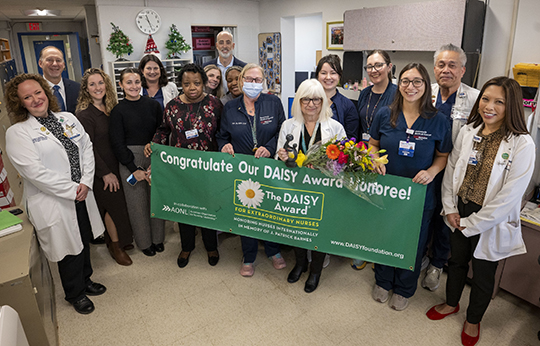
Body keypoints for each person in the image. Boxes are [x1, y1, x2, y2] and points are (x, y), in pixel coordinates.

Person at [426, 77, 535, 346]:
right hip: (459, 209)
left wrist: (473, 223)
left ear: (512, 107)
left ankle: (473, 319)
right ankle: (451, 303)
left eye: (500, 102)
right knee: (457, 262)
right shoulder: (469, 130)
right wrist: (450, 208)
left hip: (490, 218)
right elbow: (452, 169)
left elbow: (510, 196)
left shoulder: (522, 144)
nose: (489, 106)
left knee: (484, 274)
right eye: (486, 99)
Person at [5, 74, 106, 314]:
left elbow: (87, 148)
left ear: (46, 92)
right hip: (55, 199)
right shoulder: (17, 133)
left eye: (38, 92)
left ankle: (86, 280)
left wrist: (85, 182)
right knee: (68, 248)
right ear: (20, 103)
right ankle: (75, 293)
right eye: (27, 97)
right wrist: (72, 189)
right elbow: (34, 173)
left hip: (82, 192)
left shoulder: (67, 118)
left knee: (83, 238)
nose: (35, 99)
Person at [369, 63, 452, 311]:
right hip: (388, 190)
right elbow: (372, 144)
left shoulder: (438, 120)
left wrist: (431, 171)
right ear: (398, 84)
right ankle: (383, 281)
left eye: (417, 81)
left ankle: (405, 288)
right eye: (405, 81)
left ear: (426, 86)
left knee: (413, 243)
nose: (410, 86)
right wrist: (374, 159)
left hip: (419, 194)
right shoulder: (385, 114)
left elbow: (443, 156)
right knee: (384, 236)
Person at [144, 63, 223, 268]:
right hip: (181, 169)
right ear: (181, 84)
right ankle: (186, 246)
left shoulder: (215, 104)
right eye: (186, 83)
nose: (192, 87)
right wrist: (154, 144)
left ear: (204, 83)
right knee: (184, 209)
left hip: (209, 168)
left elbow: (222, 132)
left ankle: (211, 246)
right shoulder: (172, 106)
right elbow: (163, 130)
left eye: (197, 83)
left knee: (209, 208)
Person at [276, 79, 345, 293]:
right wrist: (281, 156)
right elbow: (281, 155)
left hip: (324, 189)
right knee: (297, 227)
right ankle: (300, 263)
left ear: (323, 101)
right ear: (299, 101)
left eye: (316, 99)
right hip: (297, 188)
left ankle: (315, 271)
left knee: (318, 230)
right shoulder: (289, 125)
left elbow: (343, 160)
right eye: (306, 99)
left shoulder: (335, 127)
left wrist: (327, 165)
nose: (311, 104)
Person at [217, 63, 286, 277]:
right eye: (248, 79)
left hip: (268, 168)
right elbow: (221, 135)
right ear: (241, 81)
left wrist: (270, 147)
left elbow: (284, 131)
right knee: (246, 212)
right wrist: (223, 146)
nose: (253, 83)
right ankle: (248, 256)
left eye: (257, 80)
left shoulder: (273, 102)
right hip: (243, 169)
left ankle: (273, 251)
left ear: (263, 82)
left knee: (270, 210)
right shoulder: (230, 107)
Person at [422, 43, 481, 292]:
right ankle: (420, 257)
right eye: (441, 65)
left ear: (463, 70)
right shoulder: (424, 92)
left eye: (452, 65)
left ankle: (436, 264)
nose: (446, 70)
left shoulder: (477, 98)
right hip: (427, 169)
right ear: (434, 68)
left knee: (446, 221)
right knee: (423, 218)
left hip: (456, 174)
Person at [75, 68, 134, 266]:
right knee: (111, 206)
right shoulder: (85, 115)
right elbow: (87, 149)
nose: (97, 87)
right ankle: (115, 246)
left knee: (121, 205)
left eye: (100, 83)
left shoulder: (112, 108)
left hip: (118, 164)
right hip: (102, 169)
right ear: (86, 89)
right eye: (92, 84)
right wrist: (105, 173)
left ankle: (123, 240)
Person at [109, 68, 165, 257]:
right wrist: (134, 169)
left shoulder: (154, 106)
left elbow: (162, 131)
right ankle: (144, 242)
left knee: (156, 201)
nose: (134, 86)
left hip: (154, 156)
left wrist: (156, 160)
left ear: (142, 83)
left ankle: (158, 239)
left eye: (137, 82)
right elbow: (117, 143)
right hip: (129, 160)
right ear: (121, 85)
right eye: (129, 82)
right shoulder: (118, 111)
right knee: (137, 204)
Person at [353, 49, 397, 270]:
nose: (374, 70)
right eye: (370, 66)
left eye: (378, 65)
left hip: (386, 157)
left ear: (389, 67)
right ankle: (363, 247)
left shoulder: (398, 94)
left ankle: (380, 250)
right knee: (365, 204)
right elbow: (362, 125)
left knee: (383, 206)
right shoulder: (364, 93)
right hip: (365, 154)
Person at [315, 54, 359, 139]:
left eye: (333, 73)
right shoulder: (308, 102)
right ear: (317, 75)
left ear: (339, 76)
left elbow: (350, 140)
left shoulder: (348, 106)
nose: (328, 77)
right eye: (324, 73)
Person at [38, 46, 81, 114]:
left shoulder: (77, 88)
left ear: (63, 65)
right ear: (40, 63)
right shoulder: (34, 91)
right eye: (49, 60)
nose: (55, 64)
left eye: (58, 60)